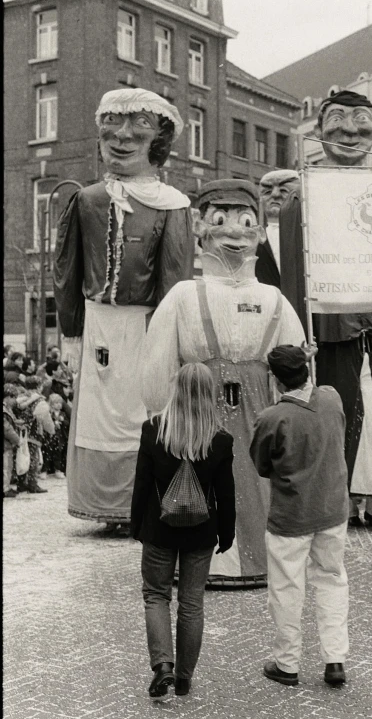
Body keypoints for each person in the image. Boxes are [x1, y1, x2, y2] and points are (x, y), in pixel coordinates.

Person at [141, 179, 306, 587]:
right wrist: (164, 415)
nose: (234, 232)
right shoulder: (183, 295)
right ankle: (204, 560)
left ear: (261, 234)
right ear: (201, 228)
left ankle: (252, 558)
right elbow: (157, 366)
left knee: (251, 478)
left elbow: (295, 369)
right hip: (197, 413)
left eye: (245, 222)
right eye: (220, 220)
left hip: (256, 417)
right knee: (199, 479)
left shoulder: (274, 299)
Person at [53, 88, 194, 535]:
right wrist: (71, 332)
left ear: (160, 139)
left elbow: (174, 274)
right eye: (111, 125)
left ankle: (141, 503)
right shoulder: (88, 199)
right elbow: (67, 270)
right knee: (98, 415)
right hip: (98, 325)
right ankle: (101, 505)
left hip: (146, 325)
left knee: (144, 410)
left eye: (138, 127)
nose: (121, 136)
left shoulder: (172, 205)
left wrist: (168, 335)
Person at [278, 89, 372, 529]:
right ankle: (346, 500)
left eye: (360, 123)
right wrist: (298, 333)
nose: (350, 132)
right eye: (337, 122)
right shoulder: (302, 197)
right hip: (331, 327)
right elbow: (295, 273)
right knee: (340, 413)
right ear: (318, 132)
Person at [131, 363, 236, 698]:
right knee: (191, 603)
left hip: (159, 529)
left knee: (156, 595)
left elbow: (143, 484)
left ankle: (163, 666)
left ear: (175, 389)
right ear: (209, 394)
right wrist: (227, 532)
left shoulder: (154, 430)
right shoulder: (219, 439)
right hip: (201, 531)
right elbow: (226, 492)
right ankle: (185, 678)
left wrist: (136, 525)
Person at [250, 345, 349, 687]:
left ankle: (287, 663)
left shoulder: (271, 418)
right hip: (332, 508)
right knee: (332, 581)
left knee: (286, 588)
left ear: (276, 380)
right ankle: (335, 659)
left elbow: (262, 465)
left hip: (292, 514)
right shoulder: (332, 398)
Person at [256, 170, 300, 288]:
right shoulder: (252, 240)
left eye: (284, 190)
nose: (275, 195)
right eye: (267, 191)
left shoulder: (309, 238)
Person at [15, 376, 55, 494]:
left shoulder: (20, 398)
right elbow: (44, 419)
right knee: (33, 459)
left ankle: (21, 483)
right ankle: (32, 484)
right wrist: (51, 430)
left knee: (21, 457)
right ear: (39, 386)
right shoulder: (40, 401)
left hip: (20, 432)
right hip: (33, 433)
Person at [3, 384, 22, 498]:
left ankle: (6, 486)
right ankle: (5, 489)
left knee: (7, 466)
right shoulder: (4, 410)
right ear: (8, 397)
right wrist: (17, 440)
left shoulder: (7, 409)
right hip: (5, 444)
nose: (15, 400)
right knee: (6, 467)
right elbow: (7, 429)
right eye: (14, 397)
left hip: (7, 444)